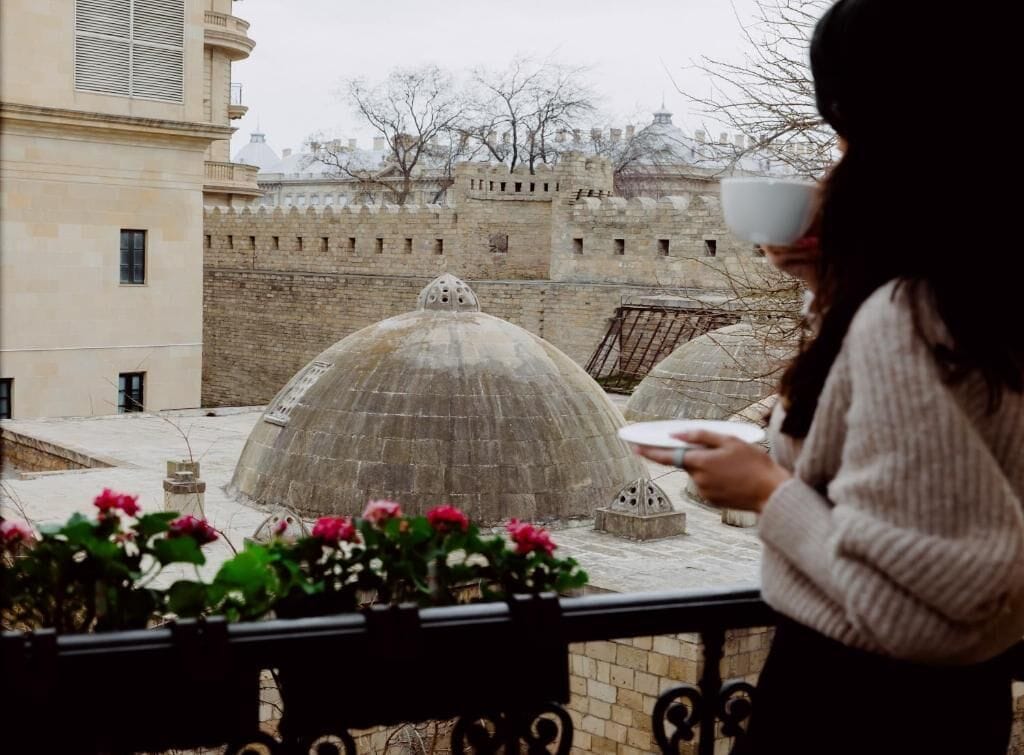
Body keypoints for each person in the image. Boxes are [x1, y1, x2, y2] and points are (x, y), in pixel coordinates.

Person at [634, 1, 1023, 752]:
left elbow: (933, 616)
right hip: (959, 716)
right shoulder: (980, 297)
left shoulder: (908, 319)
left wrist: (765, 491)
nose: (833, 164)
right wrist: (833, 276)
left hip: (856, 707)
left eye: (843, 135)